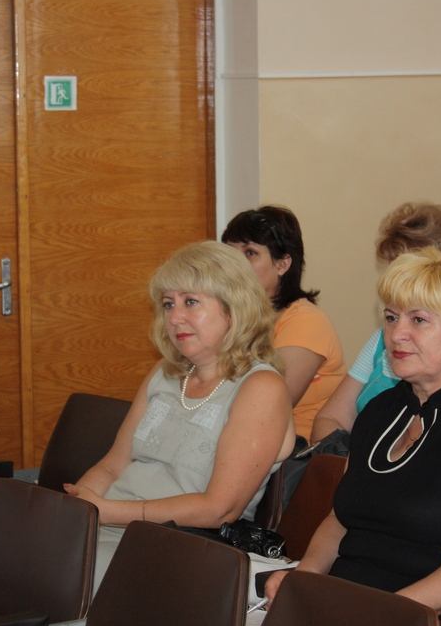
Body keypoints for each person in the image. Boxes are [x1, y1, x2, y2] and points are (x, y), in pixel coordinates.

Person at [265, 247, 441, 616]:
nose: (396, 334)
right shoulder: (382, 410)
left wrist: (386, 613)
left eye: (418, 320)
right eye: (391, 318)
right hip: (356, 606)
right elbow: (341, 519)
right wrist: (303, 580)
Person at [64, 241, 296, 590]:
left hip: (182, 546)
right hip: (114, 524)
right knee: (32, 554)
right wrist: (78, 511)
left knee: (60, 575)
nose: (174, 318)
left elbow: (218, 509)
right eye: (168, 304)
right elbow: (113, 465)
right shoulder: (165, 373)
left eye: (190, 302)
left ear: (234, 308)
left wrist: (108, 512)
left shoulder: (261, 387)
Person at [310, 202, 441, 444]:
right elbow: (330, 419)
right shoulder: (384, 339)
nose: (400, 281)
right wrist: (353, 460)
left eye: (413, 269)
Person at [222, 206, 346, 441]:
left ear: (282, 264)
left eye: (249, 253)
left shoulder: (306, 321)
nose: (234, 264)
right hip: (241, 437)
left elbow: (269, 407)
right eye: (229, 252)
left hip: (296, 451)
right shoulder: (229, 316)